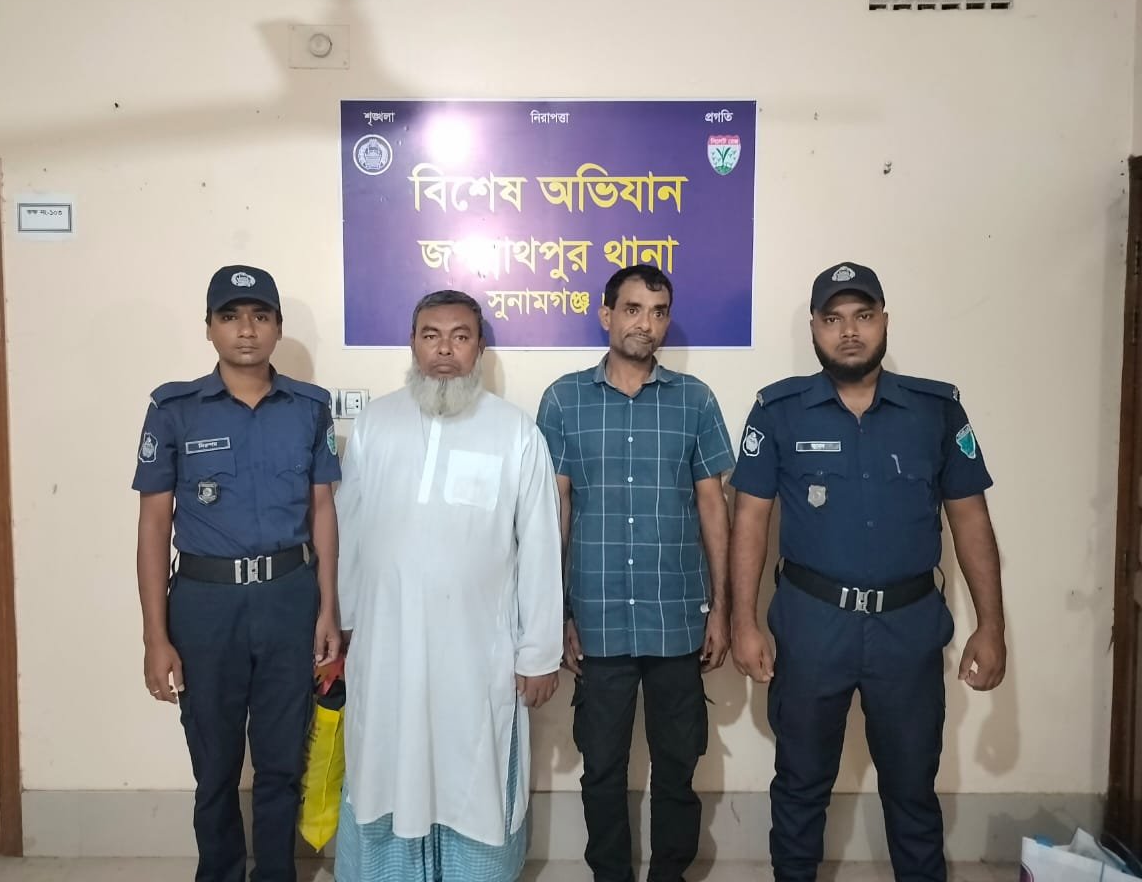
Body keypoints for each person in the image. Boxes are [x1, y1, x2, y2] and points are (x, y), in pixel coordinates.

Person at [728, 261, 1007, 882]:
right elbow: (749, 521)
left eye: (862, 316)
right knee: (800, 785)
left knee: (912, 789)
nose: (849, 331)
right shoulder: (778, 411)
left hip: (907, 629)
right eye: (833, 319)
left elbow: (971, 520)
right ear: (813, 328)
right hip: (811, 625)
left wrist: (991, 626)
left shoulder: (936, 411)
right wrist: (744, 622)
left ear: (884, 321)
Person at [334, 289, 563, 882]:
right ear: (412, 343)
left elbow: (541, 548)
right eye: (431, 336)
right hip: (386, 649)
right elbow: (349, 529)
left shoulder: (515, 432)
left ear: (479, 348)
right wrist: (343, 622)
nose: (444, 350)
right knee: (385, 764)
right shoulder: (376, 424)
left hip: (478, 656)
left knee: (473, 774)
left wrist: (539, 652)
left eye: (460, 337)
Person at [132, 264, 341, 882]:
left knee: (282, 763)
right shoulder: (175, 410)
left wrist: (329, 609)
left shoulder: (309, 408)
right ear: (209, 328)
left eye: (259, 316)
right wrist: (155, 635)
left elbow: (322, 510)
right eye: (230, 316)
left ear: (277, 327)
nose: (246, 330)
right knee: (216, 767)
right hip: (205, 605)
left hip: (288, 599)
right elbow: (153, 526)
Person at [537, 264, 735, 882]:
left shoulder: (695, 399)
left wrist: (722, 609)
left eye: (657, 311)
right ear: (606, 315)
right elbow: (555, 509)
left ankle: (670, 874)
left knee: (678, 767)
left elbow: (713, 506)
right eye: (632, 309)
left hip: (677, 619)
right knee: (601, 768)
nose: (645, 323)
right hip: (596, 621)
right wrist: (557, 612)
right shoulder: (564, 399)